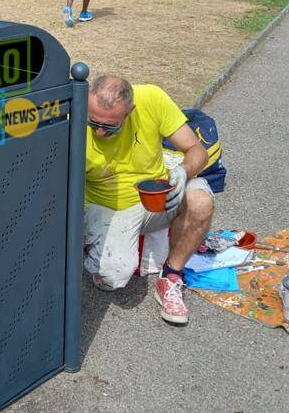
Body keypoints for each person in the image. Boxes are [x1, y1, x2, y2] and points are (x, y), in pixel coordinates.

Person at [83, 76, 214, 326]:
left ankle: (171, 277)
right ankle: (97, 252)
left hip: (153, 199)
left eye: (110, 126)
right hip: (103, 206)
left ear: (130, 112)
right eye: (93, 123)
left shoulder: (152, 98)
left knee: (200, 200)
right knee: (114, 277)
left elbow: (197, 150)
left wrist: (184, 171)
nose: (99, 132)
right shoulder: (76, 110)